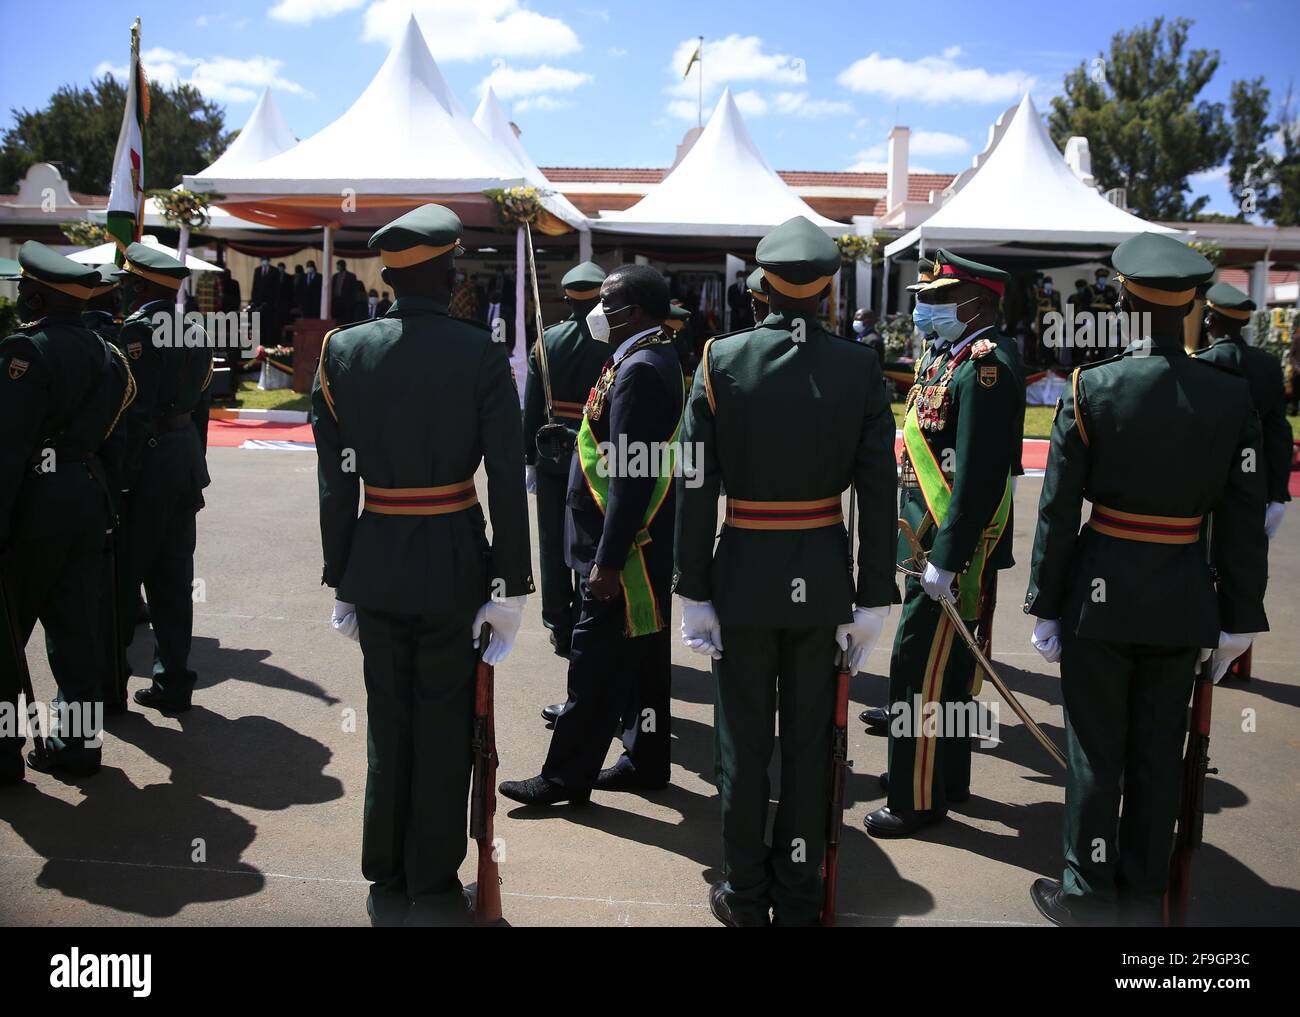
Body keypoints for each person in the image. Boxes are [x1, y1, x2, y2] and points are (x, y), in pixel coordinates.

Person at [1025, 232, 1269, 926]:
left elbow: (1058, 507)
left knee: (1097, 754)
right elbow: (1244, 515)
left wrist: (1046, 601)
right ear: (1193, 303)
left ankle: (1086, 894)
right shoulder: (1229, 396)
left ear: (1126, 301)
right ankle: (1142, 891)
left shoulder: (1092, 387)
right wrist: (1241, 615)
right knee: (1161, 754)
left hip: (1099, 598)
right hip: (1185, 597)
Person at [312, 204, 533, 926]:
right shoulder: (477, 353)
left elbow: (334, 480)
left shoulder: (345, 351)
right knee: (443, 728)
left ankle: (387, 866)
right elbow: (506, 474)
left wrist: (340, 574)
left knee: (388, 721)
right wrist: (510, 584)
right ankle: (432, 880)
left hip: (376, 559)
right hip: (453, 562)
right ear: (446, 274)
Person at [674, 217, 897, 926]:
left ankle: (744, 895)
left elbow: (692, 482)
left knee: (743, 747)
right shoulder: (859, 367)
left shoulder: (722, 359)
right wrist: (873, 596)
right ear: (829, 286)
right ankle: (798, 896)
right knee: (808, 750)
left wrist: (692, 585)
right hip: (824, 583)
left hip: (739, 576)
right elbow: (879, 490)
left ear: (764, 286)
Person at [500, 264, 683, 807]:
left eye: (609, 302)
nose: (599, 311)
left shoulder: (643, 367)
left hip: (620, 548)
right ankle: (646, 760)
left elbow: (631, 474)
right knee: (643, 661)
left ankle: (563, 778)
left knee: (592, 663)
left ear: (637, 311)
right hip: (628, 543)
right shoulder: (638, 356)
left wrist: (607, 558)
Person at [866, 250, 1021, 839]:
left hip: (949, 549)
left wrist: (949, 559)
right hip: (926, 537)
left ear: (977, 303)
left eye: (937, 301)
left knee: (919, 670)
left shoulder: (985, 367)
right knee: (948, 672)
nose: (924, 310)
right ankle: (939, 776)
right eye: (923, 300)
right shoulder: (947, 357)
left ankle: (917, 797)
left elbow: (980, 475)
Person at [0, 242, 134, 782]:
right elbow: (115, 441)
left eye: (24, 290)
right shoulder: (109, 352)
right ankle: (77, 748)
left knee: (6, 639)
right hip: (85, 496)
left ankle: (3, 758)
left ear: (37, 292)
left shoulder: (25, 352)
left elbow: (7, 449)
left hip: (33, 506)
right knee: (78, 634)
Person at [110, 243, 213, 714]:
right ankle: (173, 684)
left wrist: (117, 478)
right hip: (182, 458)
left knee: (120, 580)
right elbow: (201, 408)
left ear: (141, 284)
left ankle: (107, 688)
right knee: (174, 580)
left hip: (144, 466)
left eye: (130, 281)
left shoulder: (134, 332)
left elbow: (127, 413)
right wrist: (195, 463)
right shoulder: (195, 328)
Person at [1194, 281, 1291, 681]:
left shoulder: (1200, 362)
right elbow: (1279, 433)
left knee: (1203, 563)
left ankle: (1199, 643)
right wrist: (1279, 493)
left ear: (1211, 319)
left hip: (1208, 485)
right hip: (1253, 484)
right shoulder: (1267, 365)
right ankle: (1235, 650)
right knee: (1245, 564)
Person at [521, 261, 608, 689]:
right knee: (590, 542)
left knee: (553, 541)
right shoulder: (613, 339)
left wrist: (529, 457)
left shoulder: (547, 340)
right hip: (597, 455)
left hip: (553, 453)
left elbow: (532, 406)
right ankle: (588, 619)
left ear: (570, 298)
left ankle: (558, 621)